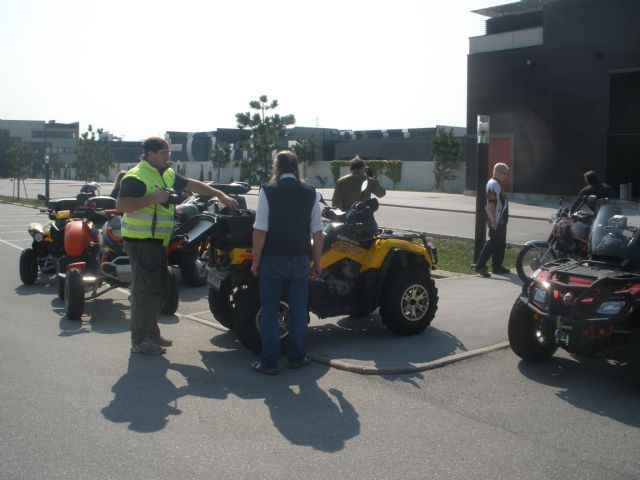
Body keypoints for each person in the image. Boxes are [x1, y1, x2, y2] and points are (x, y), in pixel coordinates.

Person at [116, 137, 238, 355]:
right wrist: (153, 198)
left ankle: (151, 334)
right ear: (150, 153)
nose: (168, 156)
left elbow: (192, 184)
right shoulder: (136, 175)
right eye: (164, 152)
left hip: (158, 241)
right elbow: (121, 204)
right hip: (141, 241)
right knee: (145, 292)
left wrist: (219, 194)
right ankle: (141, 340)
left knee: (160, 288)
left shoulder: (167, 173)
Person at [250, 150, 323, 374]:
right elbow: (318, 232)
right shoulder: (311, 193)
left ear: (277, 167)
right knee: (299, 311)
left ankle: (269, 362)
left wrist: (255, 261)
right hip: (300, 259)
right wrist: (317, 262)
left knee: (270, 312)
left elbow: (260, 230)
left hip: (272, 259)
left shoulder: (267, 190)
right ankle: (296, 357)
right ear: (296, 167)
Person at [473, 162, 510, 278]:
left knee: (500, 243)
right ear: (497, 172)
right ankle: (480, 265)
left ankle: (497, 266)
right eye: (504, 173)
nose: (506, 176)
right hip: (496, 219)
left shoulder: (497, 184)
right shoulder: (493, 184)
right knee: (493, 242)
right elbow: (491, 202)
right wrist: (494, 220)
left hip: (500, 219)